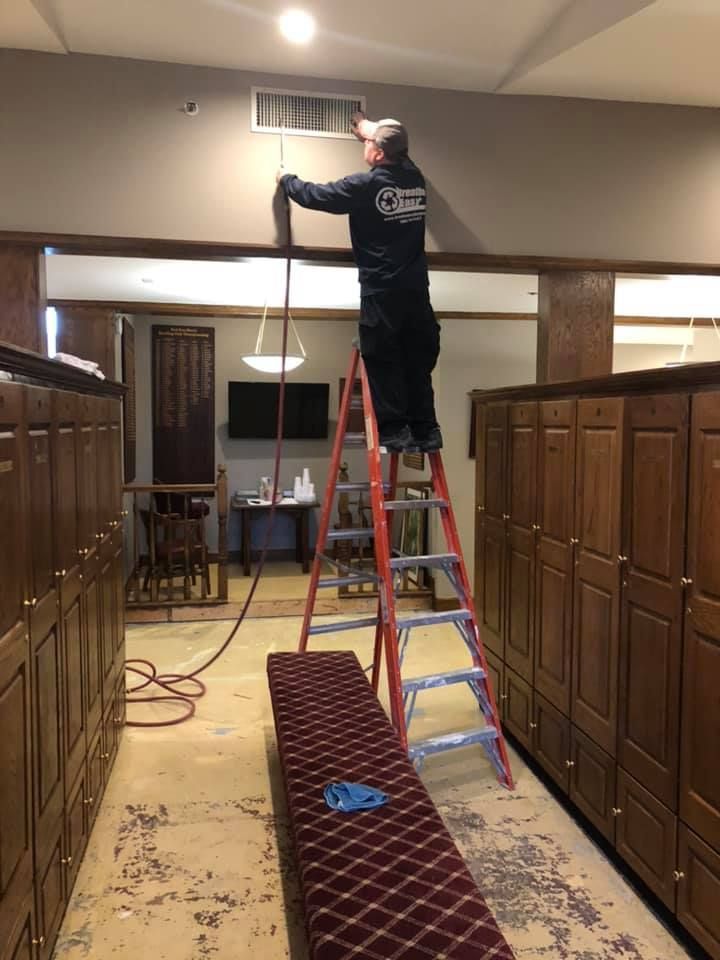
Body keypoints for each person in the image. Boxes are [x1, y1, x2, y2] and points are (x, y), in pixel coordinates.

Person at [276, 113, 442, 452]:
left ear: (379, 154)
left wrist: (286, 179)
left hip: (381, 292)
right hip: (415, 291)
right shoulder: (415, 178)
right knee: (416, 360)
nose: (364, 147)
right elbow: (402, 151)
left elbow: (316, 195)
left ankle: (394, 432)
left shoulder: (365, 187)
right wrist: (372, 131)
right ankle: (426, 431)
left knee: (382, 358)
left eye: (369, 144)